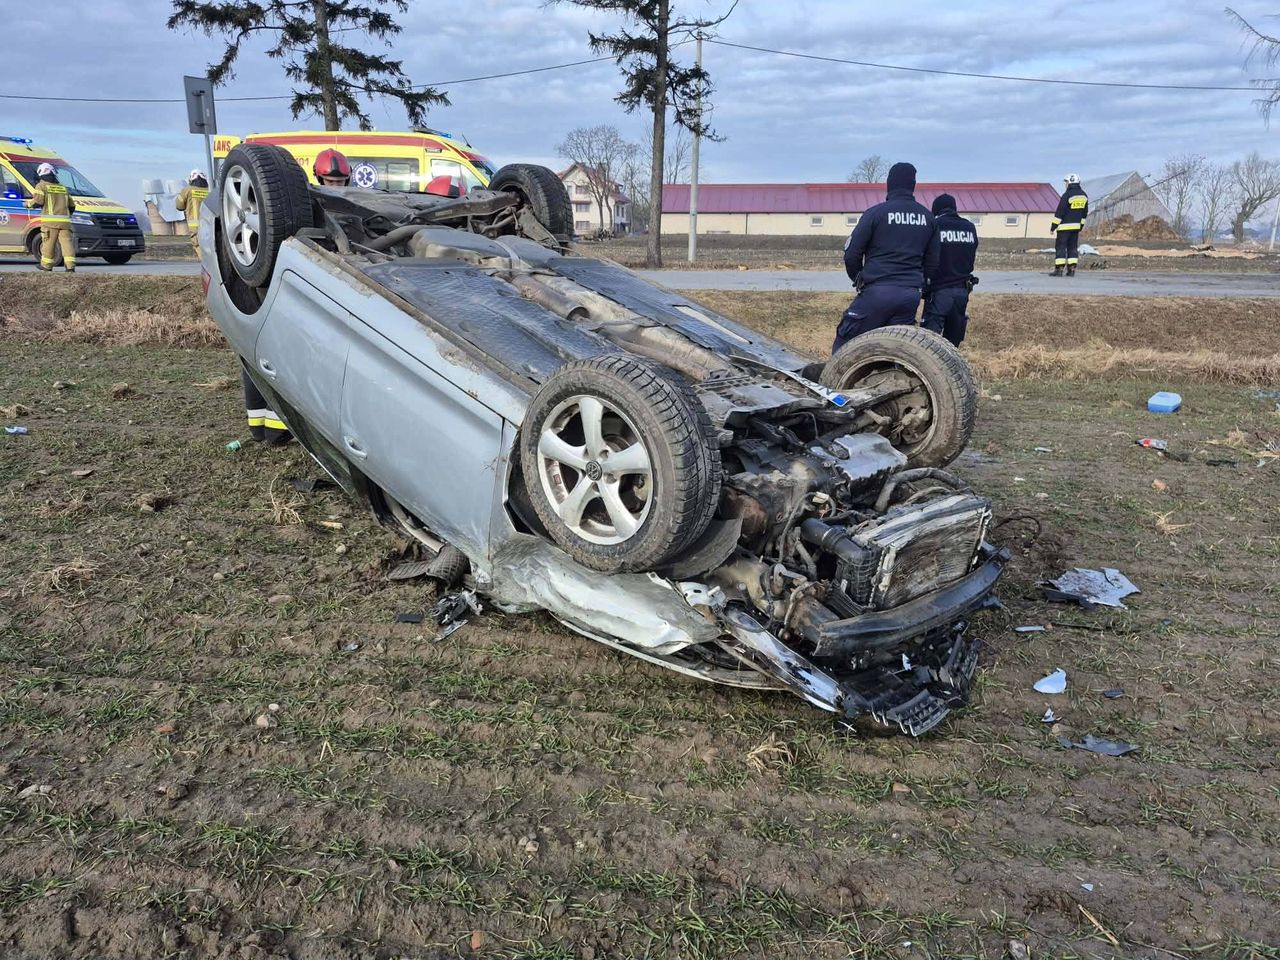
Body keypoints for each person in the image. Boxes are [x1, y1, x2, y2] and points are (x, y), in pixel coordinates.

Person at [834, 162, 939, 353]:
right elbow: (932, 263)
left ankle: (837, 373)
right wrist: (919, 285)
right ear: (913, 185)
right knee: (894, 350)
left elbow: (852, 254)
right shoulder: (928, 218)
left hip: (877, 292)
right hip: (910, 295)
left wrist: (858, 277)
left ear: (890, 183)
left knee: (847, 345)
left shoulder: (875, 213)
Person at [922, 194, 979, 346]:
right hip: (962, 292)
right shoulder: (969, 227)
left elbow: (926, 256)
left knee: (928, 344)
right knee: (953, 343)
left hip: (939, 292)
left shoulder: (934, 225)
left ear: (936, 209)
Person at [24, 162, 76, 272]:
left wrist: (28, 204)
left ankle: (46, 266)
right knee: (67, 244)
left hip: (49, 223)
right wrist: (66, 216)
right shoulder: (63, 187)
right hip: (65, 223)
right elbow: (72, 206)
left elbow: (38, 201)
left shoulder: (41, 186)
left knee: (48, 243)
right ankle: (70, 267)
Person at [1050, 174, 1088, 276]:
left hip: (1064, 228)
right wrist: (1080, 226)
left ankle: (1059, 270)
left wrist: (1053, 227)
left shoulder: (1067, 195)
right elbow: (1084, 213)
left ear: (1069, 183)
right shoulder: (1084, 196)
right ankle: (1071, 270)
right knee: (1073, 248)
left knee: (1061, 247)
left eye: (1066, 182)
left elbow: (1060, 212)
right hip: (1075, 228)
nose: (1065, 184)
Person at [241, 371, 292, 445]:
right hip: (280, 434)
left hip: (259, 428)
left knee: (256, 367)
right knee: (287, 369)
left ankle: (259, 429)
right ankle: (278, 431)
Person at [174, 169, 209, 257]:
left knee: (199, 246)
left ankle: (207, 264)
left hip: (196, 227)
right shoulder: (210, 190)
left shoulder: (187, 190)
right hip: (211, 225)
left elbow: (179, 206)